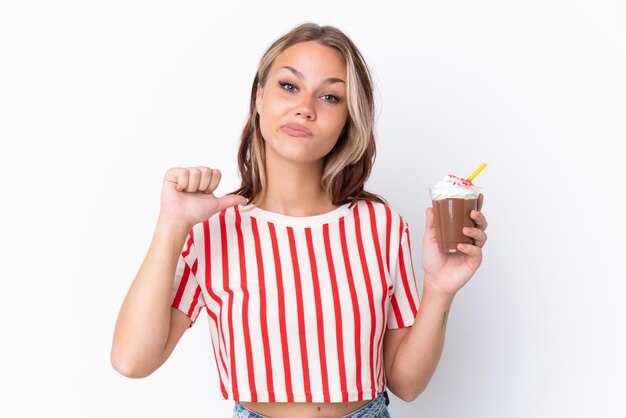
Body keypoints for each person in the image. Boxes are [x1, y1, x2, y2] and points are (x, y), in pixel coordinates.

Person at [111, 22, 488, 418]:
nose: (305, 107)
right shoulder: (213, 229)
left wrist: (440, 289)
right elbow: (132, 360)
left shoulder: (379, 224)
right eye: (289, 86)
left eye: (329, 96)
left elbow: (407, 384)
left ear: (348, 120)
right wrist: (171, 225)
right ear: (259, 97)